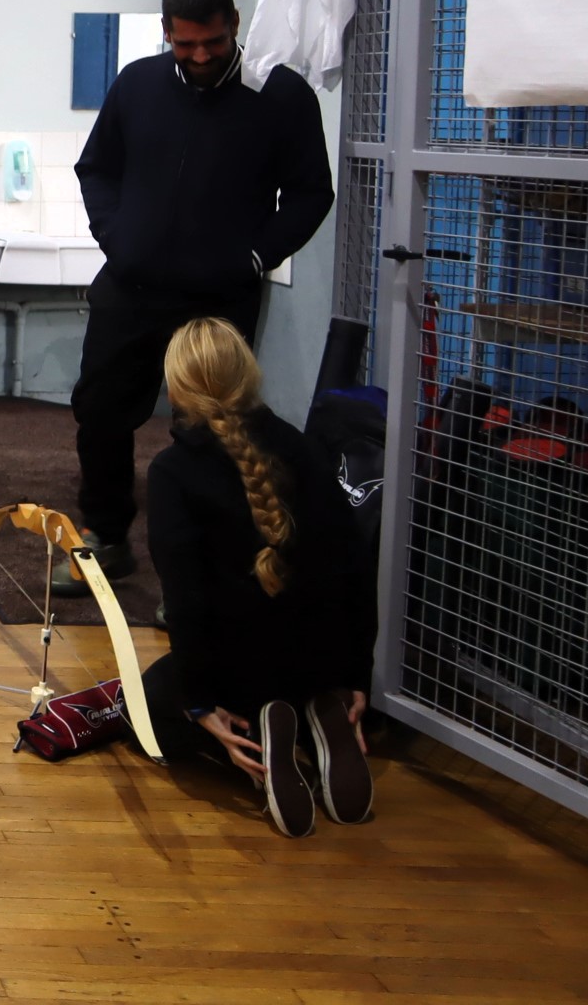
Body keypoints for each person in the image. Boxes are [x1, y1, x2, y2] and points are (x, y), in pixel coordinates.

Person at [54, 0, 333, 597]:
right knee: (99, 413)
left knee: (210, 431)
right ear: (166, 34)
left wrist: (256, 257)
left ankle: (201, 575)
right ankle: (106, 538)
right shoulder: (138, 84)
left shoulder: (280, 94)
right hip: (130, 288)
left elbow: (311, 193)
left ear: (234, 23)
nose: (201, 56)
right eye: (186, 45)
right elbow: (96, 168)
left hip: (218, 298)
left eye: (212, 42)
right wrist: (116, 236)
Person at [141, 317, 374, 838]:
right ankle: (319, 716)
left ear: (177, 388)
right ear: (248, 374)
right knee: (296, 661)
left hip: (239, 671)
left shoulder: (172, 472)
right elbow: (355, 564)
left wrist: (199, 702)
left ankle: (261, 748)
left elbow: (186, 602)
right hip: (321, 659)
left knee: (147, 701)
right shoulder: (303, 447)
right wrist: (357, 675)